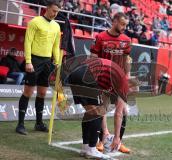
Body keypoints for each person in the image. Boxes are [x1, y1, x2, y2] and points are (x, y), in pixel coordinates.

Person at [67, 57, 130, 159]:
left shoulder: (110, 80)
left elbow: (104, 106)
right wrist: (117, 138)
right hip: (87, 74)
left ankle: (85, 147)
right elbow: (118, 114)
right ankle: (92, 149)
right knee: (97, 113)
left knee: (90, 113)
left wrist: (105, 132)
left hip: (75, 73)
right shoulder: (123, 85)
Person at [15, 0, 61, 135]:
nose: (55, 14)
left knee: (42, 93)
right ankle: (20, 125)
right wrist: (28, 61)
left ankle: (39, 123)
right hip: (34, 60)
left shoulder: (57, 26)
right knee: (28, 92)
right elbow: (28, 42)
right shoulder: (35, 22)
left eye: (57, 12)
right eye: (53, 11)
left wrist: (57, 62)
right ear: (47, 8)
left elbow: (55, 46)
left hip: (48, 62)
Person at [90, 12, 131, 153]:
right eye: (122, 24)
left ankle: (118, 142)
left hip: (120, 80)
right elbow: (93, 58)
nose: (124, 27)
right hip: (103, 78)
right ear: (114, 22)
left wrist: (128, 77)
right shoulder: (100, 37)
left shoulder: (126, 40)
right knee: (102, 109)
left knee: (123, 111)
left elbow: (126, 60)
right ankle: (101, 140)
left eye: (126, 25)